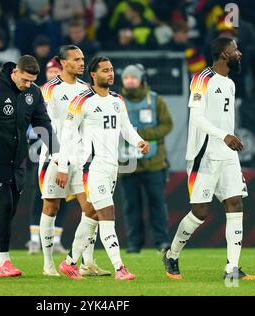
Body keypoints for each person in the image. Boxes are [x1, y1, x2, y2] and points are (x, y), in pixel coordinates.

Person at [162, 37, 255, 281]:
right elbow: (196, 118)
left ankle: (232, 269)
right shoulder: (201, 79)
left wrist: (228, 139)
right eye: (235, 49)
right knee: (200, 213)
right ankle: (172, 255)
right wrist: (224, 135)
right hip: (203, 156)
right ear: (224, 54)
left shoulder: (230, 83)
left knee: (235, 204)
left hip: (227, 156)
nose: (239, 53)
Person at [56, 56, 150, 280]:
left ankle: (69, 263)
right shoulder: (82, 101)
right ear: (93, 74)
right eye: (105, 70)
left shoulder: (118, 100)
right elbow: (67, 134)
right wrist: (62, 166)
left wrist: (138, 141)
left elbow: (125, 128)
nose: (110, 74)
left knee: (91, 215)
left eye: (111, 70)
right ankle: (120, 268)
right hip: (92, 166)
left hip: (111, 166)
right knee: (107, 214)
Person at [0, 55, 59, 278]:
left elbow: (42, 122)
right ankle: (5, 260)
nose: (27, 85)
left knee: (10, 209)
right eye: (24, 80)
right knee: (4, 206)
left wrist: (57, 152)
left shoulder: (33, 92)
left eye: (31, 81)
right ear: (15, 72)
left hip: (18, 160)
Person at [39, 46, 110, 277]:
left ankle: (86, 263)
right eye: (76, 59)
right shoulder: (49, 90)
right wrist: (59, 160)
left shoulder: (86, 90)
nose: (82, 63)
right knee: (51, 208)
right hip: (54, 158)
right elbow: (45, 127)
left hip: (81, 159)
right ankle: (48, 264)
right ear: (63, 62)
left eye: (83, 59)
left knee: (91, 209)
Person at [119, 64, 173, 254]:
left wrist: (140, 135)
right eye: (126, 78)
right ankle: (134, 244)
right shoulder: (117, 101)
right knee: (131, 207)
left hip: (154, 164)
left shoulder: (156, 100)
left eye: (133, 77)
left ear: (141, 79)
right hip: (127, 164)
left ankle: (162, 242)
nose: (130, 80)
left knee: (157, 204)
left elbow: (167, 125)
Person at [26, 57, 68, 255]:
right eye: (50, 71)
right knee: (40, 194)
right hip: (42, 149)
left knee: (64, 195)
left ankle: (56, 239)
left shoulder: (71, 92)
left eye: (56, 71)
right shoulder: (38, 91)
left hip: (67, 150)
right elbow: (29, 120)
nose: (52, 75)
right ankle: (35, 239)